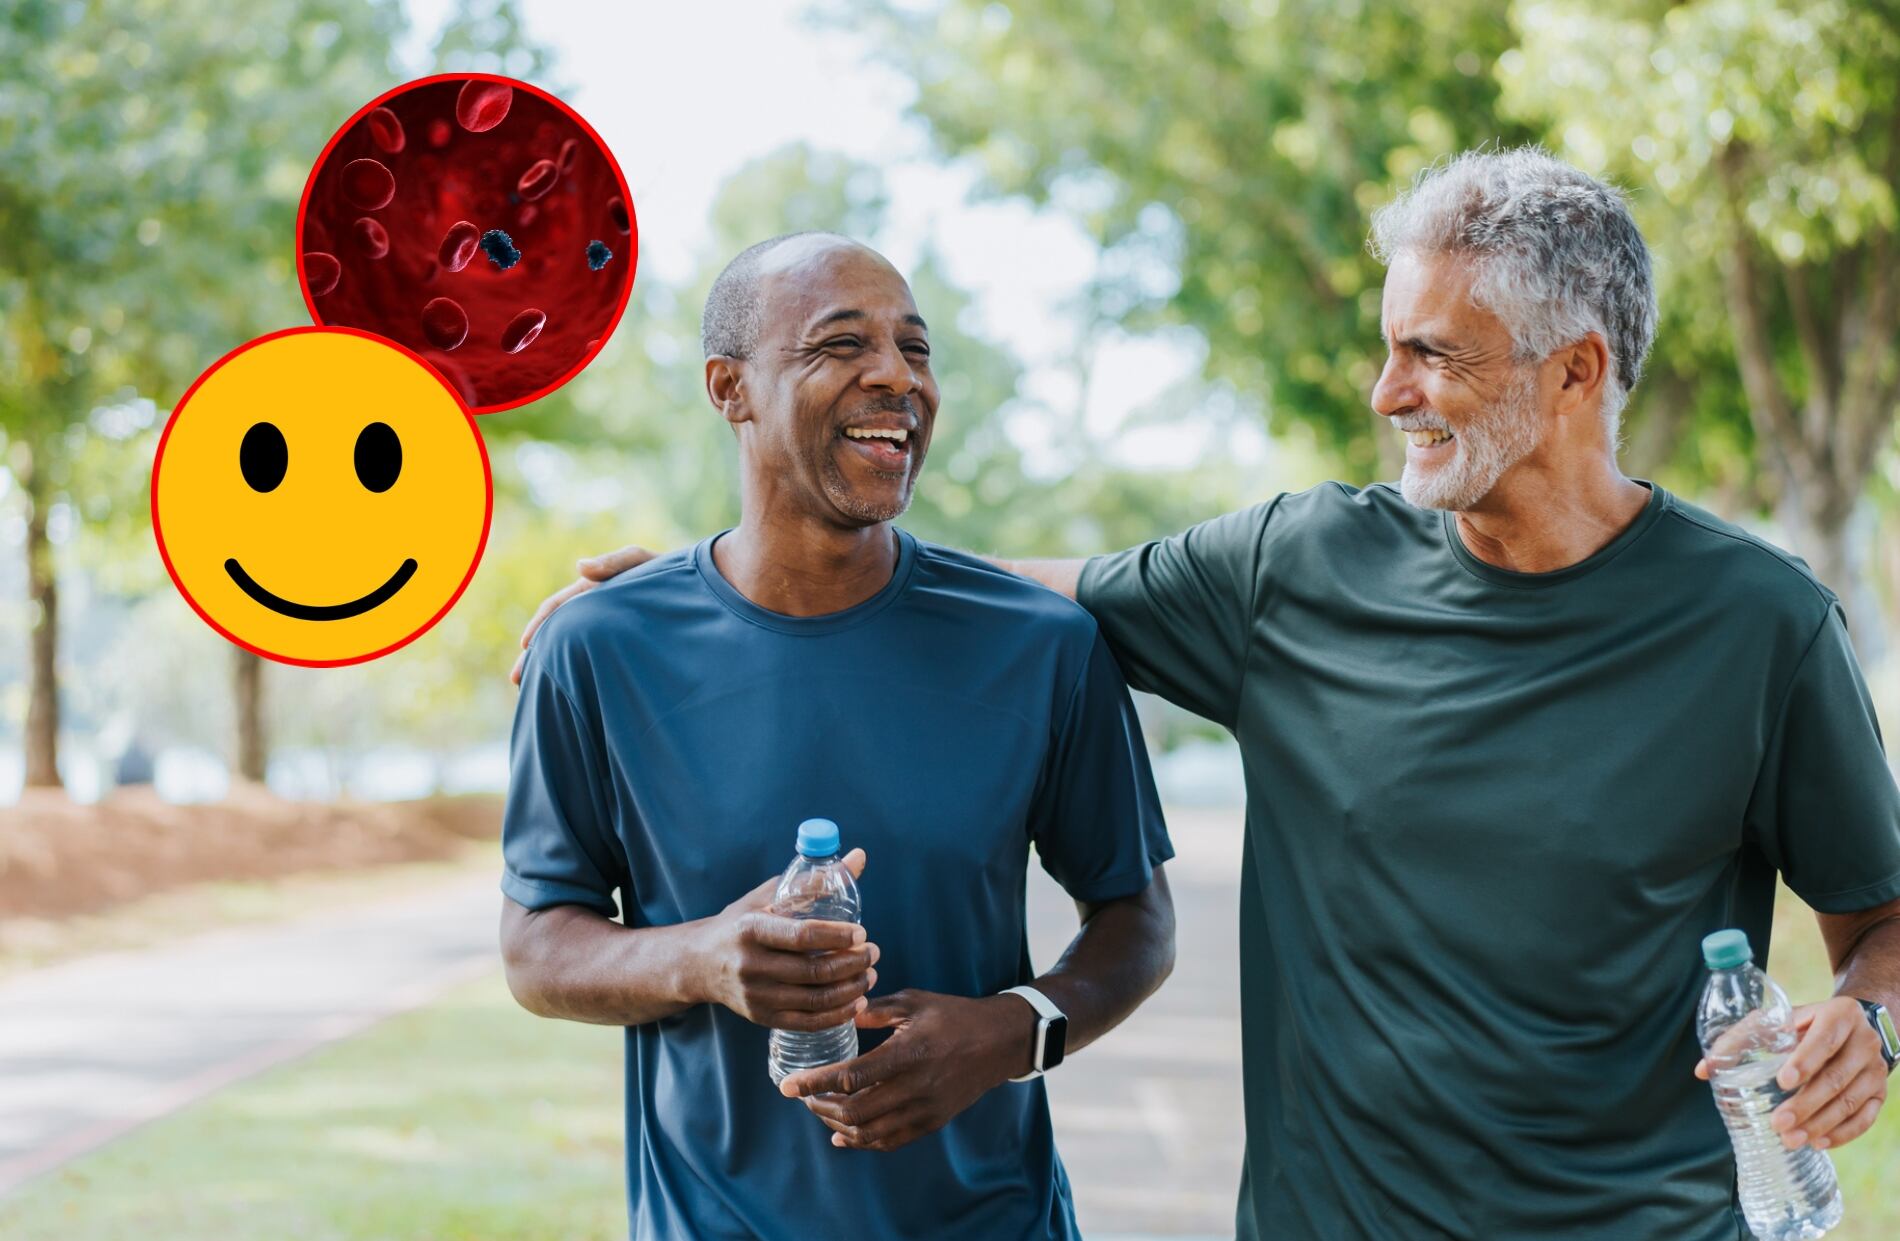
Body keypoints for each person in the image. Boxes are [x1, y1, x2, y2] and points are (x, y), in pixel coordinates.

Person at [517, 149, 1900, 1239]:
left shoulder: (1759, 623)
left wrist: (1871, 1023)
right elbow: (1012, 590)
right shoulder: (1302, 567)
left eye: (1433, 354)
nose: (1384, 390)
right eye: (1388, 343)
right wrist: (720, 578)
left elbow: (1881, 920)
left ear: (1577, 372)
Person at [499, 231, 1176, 1241]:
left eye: (915, 347)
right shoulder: (599, 647)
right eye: (838, 345)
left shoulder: (1041, 645)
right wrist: (703, 957)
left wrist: (1008, 1033)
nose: (896, 377)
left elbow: (1138, 919)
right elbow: (536, 946)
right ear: (729, 388)